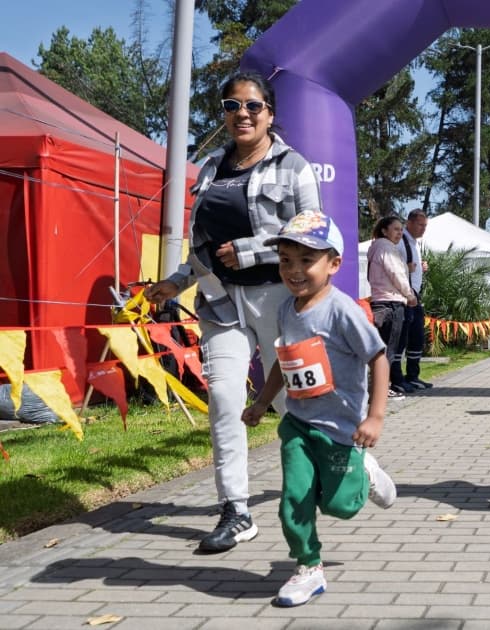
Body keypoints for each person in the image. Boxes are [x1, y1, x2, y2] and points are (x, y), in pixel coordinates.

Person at [144, 71, 322, 553]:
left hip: (277, 298)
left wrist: (252, 250)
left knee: (294, 403)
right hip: (220, 302)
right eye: (231, 105)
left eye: (252, 106)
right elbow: (202, 247)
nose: (241, 113)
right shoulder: (210, 170)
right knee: (224, 400)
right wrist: (174, 282)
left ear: (270, 114)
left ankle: (350, 464)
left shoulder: (293, 166)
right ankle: (236, 511)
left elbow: (315, 232)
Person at [242, 210, 396, 607]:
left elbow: (378, 357)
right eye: (286, 261)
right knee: (294, 497)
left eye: (306, 261)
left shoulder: (343, 310)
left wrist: (375, 416)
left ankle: (363, 470)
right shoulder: (284, 310)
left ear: (333, 264)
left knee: (340, 506)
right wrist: (261, 401)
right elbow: (283, 359)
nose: (294, 271)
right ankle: (308, 567)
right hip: (298, 424)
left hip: (342, 429)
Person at [366, 215, 419, 399]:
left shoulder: (377, 247)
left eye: (400, 229)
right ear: (384, 230)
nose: (399, 233)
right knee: (388, 350)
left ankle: (378, 388)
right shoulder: (385, 247)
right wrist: (410, 295)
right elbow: (395, 273)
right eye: (395, 229)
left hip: (382, 301)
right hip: (391, 303)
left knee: (383, 349)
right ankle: (380, 390)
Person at [396, 208, 434, 389]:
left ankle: (413, 375)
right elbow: (393, 267)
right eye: (420, 224)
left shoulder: (414, 244)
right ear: (409, 223)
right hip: (403, 298)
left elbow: (411, 266)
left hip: (415, 297)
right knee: (401, 340)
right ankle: (397, 379)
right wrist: (408, 268)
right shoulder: (400, 241)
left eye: (425, 226)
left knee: (417, 338)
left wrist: (421, 267)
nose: (423, 229)